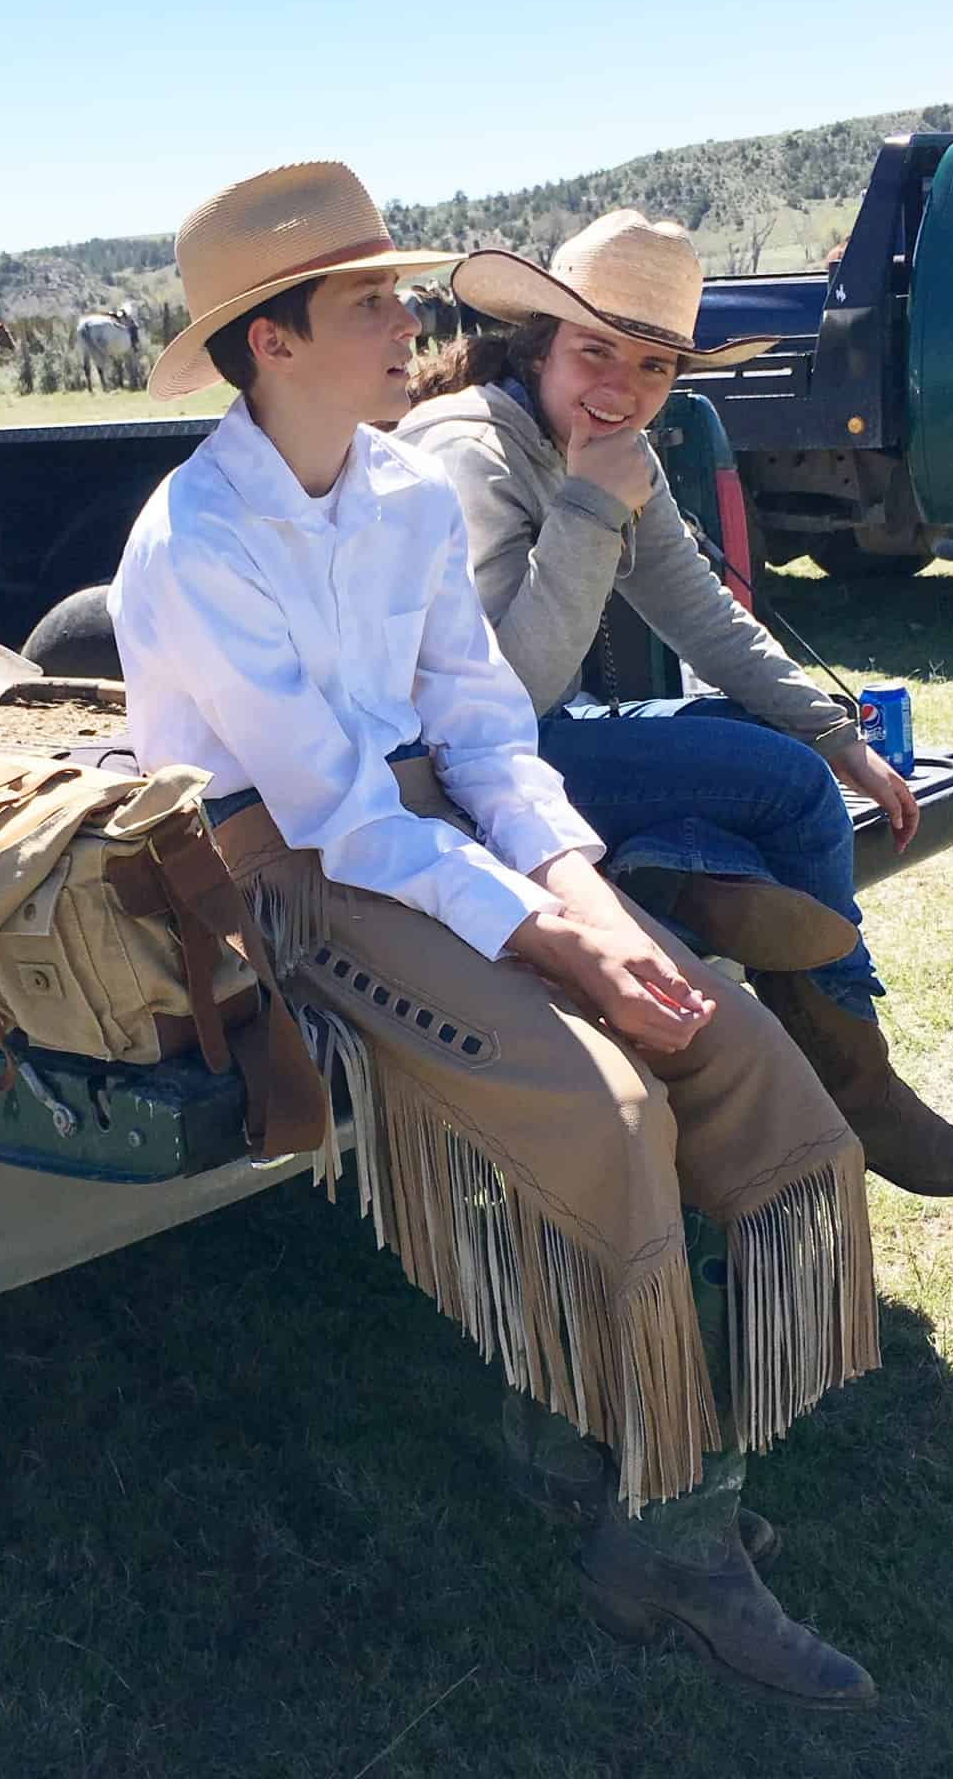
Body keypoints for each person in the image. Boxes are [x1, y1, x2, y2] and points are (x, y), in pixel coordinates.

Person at [109, 162, 884, 1711]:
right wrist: (559, 943)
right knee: (594, 1103)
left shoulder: (396, 491)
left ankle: (610, 1442)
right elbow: (336, 820)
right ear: (273, 342)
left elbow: (481, 729)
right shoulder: (195, 542)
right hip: (281, 861)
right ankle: (663, 1529)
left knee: (728, 1042)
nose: (410, 323)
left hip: (431, 831)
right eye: (370, 303)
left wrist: (584, 895)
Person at [393, 211, 953, 1200]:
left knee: (769, 757)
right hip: (448, 773)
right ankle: (859, 1089)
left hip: (538, 747)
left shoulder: (603, 446)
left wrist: (832, 731)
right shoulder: (466, 451)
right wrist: (592, 505)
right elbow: (496, 700)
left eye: (652, 369)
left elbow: (702, 617)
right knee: (782, 791)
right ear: (537, 342)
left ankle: (686, 880)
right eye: (595, 351)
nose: (622, 388)